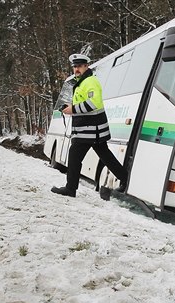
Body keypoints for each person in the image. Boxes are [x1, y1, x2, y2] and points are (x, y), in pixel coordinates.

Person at [51, 54, 128, 198]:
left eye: (79, 66)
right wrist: (70, 106)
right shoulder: (83, 82)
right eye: (74, 66)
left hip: (90, 130)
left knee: (74, 156)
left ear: (87, 66)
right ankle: (125, 179)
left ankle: (70, 189)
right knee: (106, 156)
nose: (76, 69)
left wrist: (73, 109)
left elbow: (94, 104)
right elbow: (86, 103)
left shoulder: (90, 81)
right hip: (92, 130)